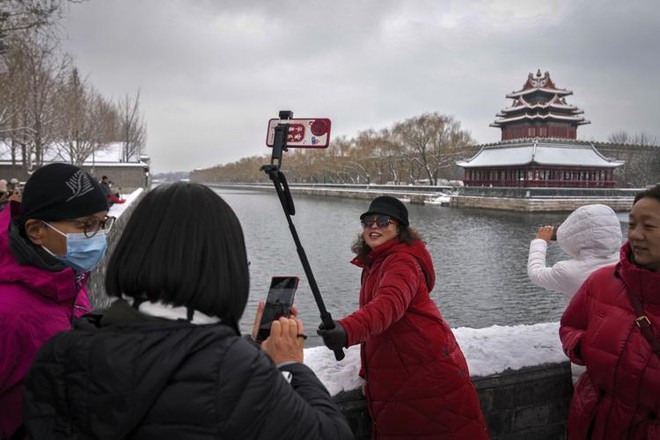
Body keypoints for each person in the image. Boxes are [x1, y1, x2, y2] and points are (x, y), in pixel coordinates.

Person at [23, 182, 353, 440]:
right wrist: (291, 365)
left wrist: (249, 349)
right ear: (225, 266)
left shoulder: (62, 352)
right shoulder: (235, 372)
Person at [317, 195, 489, 439]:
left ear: (400, 229)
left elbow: (387, 306)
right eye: (368, 221)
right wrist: (369, 373)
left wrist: (346, 331)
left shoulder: (402, 262)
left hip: (425, 380)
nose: (374, 226)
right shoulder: (377, 262)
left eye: (384, 221)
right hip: (408, 375)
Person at [0, 163, 110, 439]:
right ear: (37, 230)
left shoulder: (68, 280)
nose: (98, 236)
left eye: (103, 223)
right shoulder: (8, 313)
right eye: (86, 225)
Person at [560, 184, 660, 439]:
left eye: (648, 227)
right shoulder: (603, 281)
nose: (635, 235)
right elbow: (571, 326)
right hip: (593, 423)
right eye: (632, 224)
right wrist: (584, 347)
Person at [527, 204, 622, 383]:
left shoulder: (569, 272)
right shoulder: (627, 264)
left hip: (588, 350)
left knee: (588, 401)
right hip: (623, 347)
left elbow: (536, 273)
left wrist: (540, 241)